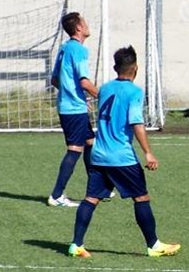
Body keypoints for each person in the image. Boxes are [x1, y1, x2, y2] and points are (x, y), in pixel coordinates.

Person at [67, 46, 181, 258]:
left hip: (98, 155)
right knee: (141, 198)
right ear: (135, 68)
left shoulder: (105, 89)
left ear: (115, 67)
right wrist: (148, 152)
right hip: (121, 158)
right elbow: (137, 123)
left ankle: (76, 244)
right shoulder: (135, 92)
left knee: (91, 198)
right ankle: (154, 245)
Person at [48, 12, 99, 208]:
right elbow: (84, 82)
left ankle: (97, 188)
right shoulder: (78, 50)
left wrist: (73, 95)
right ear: (79, 28)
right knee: (75, 149)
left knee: (89, 142)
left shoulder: (65, 48)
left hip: (70, 106)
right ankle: (57, 194)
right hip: (73, 110)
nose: (87, 24)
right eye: (84, 21)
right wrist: (104, 97)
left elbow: (55, 80)